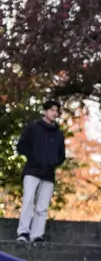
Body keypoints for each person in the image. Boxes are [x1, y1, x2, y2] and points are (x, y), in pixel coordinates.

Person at [15, 99, 66, 244]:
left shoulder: (58, 134)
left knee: (42, 206)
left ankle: (37, 235)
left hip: (48, 174)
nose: (54, 113)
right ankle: (23, 232)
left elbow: (62, 155)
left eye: (56, 111)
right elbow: (21, 146)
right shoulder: (32, 128)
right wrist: (33, 157)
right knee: (28, 201)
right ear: (45, 111)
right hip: (32, 170)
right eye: (52, 110)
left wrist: (52, 163)